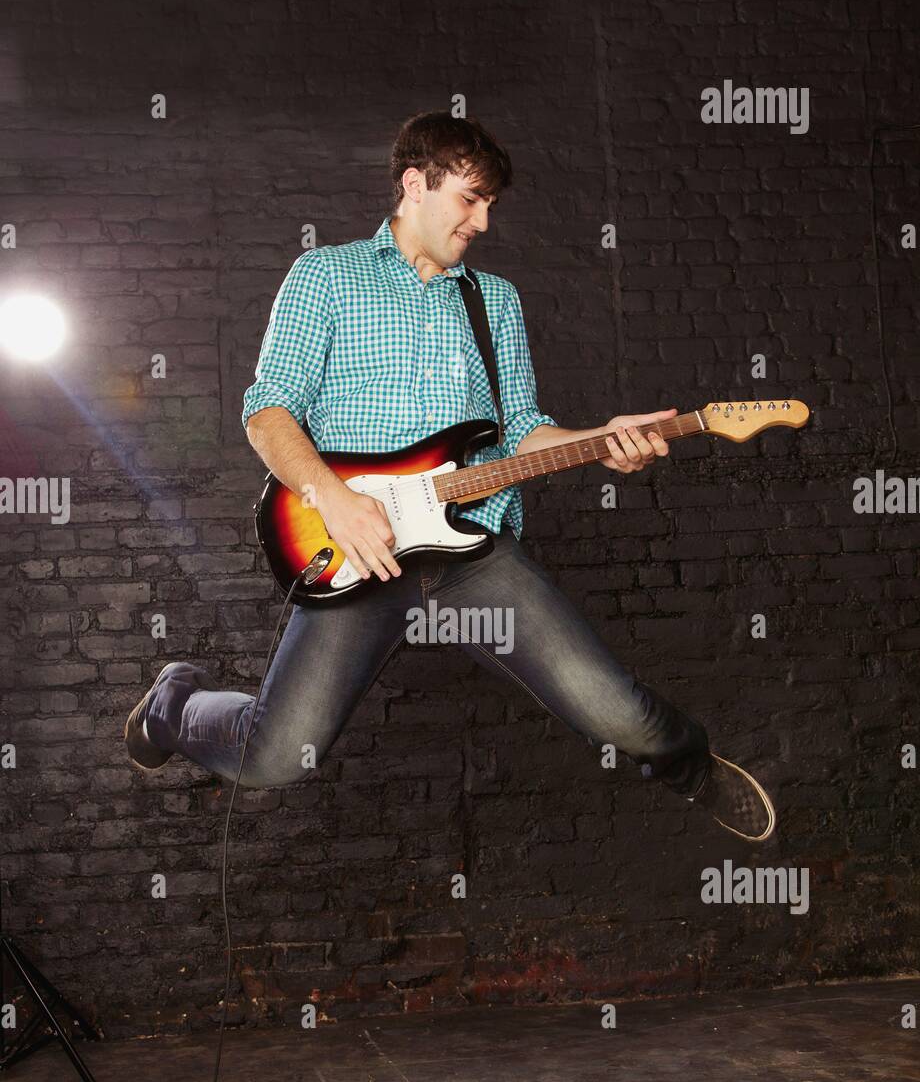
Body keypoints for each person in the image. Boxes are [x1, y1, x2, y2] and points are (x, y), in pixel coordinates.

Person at [125, 111, 775, 842]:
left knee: (620, 710)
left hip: (472, 552)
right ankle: (173, 703)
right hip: (357, 552)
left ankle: (691, 768)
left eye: (491, 204)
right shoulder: (326, 275)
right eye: (471, 198)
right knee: (275, 757)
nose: (484, 220)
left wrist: (605, 441)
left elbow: (522, 429)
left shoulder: (494, 300)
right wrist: (333, 500)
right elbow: (267, 409)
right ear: (414, 184)